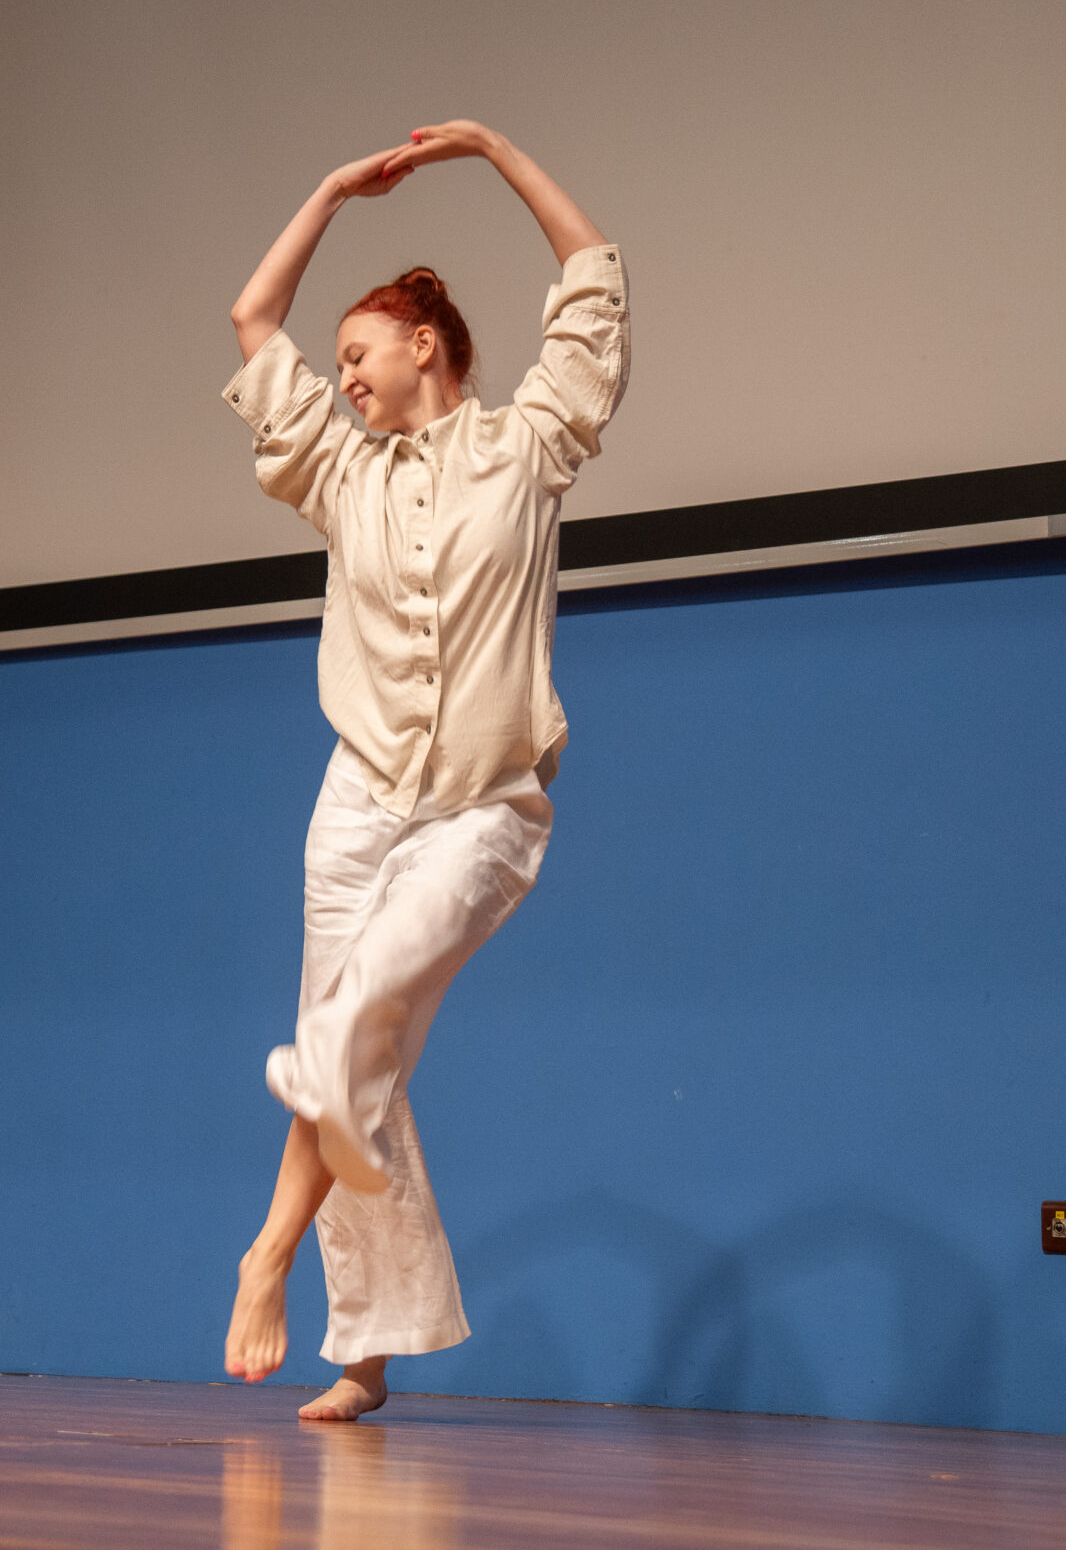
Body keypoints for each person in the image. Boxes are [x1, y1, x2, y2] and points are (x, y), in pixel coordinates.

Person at [218, 120, 630, 1421]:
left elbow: (593, 275)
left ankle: (266, 1253)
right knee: (363, 1072)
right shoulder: (341, 475)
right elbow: (252, 316)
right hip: (356, 805)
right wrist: (336, 187)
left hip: (481, 812)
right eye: (337, 360)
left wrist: (493, 151)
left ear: (426, 348)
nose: (341, 374)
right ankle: (366, 1355)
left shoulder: (527, 447)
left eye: (359, 352)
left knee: (352, 1026)